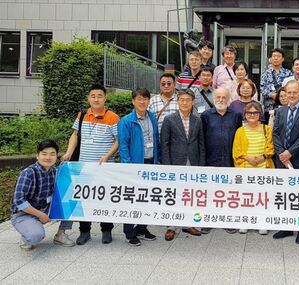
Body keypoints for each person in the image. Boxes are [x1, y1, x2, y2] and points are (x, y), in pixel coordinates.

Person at [60, 83, 119, 245]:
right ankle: (84, 231)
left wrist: (107, 156)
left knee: (105, 198)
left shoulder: (112, 117)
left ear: (105, 98)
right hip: (83, 166)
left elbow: (118, 140)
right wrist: (69, 153)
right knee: (83, 199)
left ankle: (106, 230)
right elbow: (75, 135)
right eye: (93, 96)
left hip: (104, 167)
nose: (96, 99)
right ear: (88, 98)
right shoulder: (82, 115)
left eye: (99, 96)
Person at [272, 80, 299, 244]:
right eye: (288, 92)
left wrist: (290, 152)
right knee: (284, 194)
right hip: (282, 159)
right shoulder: (280, 111)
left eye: (294, 92)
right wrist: (282, 153)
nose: (291, 95)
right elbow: (275, 133)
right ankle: (286, 227)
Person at [11, 140, 75, 250]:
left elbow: (66, 188)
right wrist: (40, 215)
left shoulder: (54, 172)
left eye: (52, 154)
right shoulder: (28, 173)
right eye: (44, 154)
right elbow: (19, 201)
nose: (48, 157)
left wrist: (65, 167)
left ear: (56, 156)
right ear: (37, 156)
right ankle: (27, 235)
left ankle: (61, 234)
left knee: (70, 200)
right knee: (35, 236)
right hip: (24, 213)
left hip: (45, 208)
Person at [161, 89, 206, 240]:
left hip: (193, 162)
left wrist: (201, 166)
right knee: (174, 194)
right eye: (181, 100)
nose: (185, 102)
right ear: (177, 101)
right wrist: (167, 166)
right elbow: (164, 145)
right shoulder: (169, 119)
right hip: (175, 163)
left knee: (190, 194)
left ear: (193, 102)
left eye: (188, 100)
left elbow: (201, 144)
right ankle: (171, 227)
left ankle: (188, 224)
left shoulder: (197, 120)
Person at [118, 88, 159, 246]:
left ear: (149, 101)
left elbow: (155, 140)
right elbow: (123, 146)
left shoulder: (152, 117)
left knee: (147, 197)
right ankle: (129, 232)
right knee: (132, 198)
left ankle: (142, 228)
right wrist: (128, 167)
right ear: (133, 101)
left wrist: (157, 161)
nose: (142, 102)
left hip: (151, 162)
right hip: (135, 164)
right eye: (139, 99)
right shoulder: (127, 121)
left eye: (145, 99)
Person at [201, 87, 242, 234]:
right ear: (213, 98)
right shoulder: (206, 115)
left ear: (229, 98)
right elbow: (202, 139)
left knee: (229, 192)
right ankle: (208, 221)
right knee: (210, 192)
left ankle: (228, 220)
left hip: (230, 160)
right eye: (218, 97)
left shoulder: (236, 115)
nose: (220, 100)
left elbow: (239, 136)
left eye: (224, 97)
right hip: (211, 159)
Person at [232, 102, 274, 235]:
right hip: (246, 167)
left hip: (263, 167)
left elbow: (270, 147)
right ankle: (245, 221)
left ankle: (262, 222)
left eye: (255, 113)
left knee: (262, 196)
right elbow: (236, 150)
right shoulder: (240, 131)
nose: (252, 115)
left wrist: (262, 157)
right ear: (245, 115)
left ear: (260, 114)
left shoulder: (266, 129)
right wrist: (247, 158)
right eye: (249, 113)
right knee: (246, 196)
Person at [260, 48, 293, 120]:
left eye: (278, 56)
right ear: (270, 59)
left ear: (282, 59)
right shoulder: (265, 74)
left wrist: (282, 96)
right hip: (269, 107)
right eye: (273, 56)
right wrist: (271, 95)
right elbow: (262, 89)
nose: (276, 58)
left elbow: (292, 88)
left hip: (285, 107)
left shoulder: (288, 73)